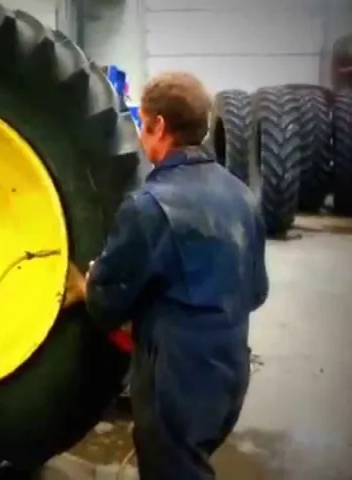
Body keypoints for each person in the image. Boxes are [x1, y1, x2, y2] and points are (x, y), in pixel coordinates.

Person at [64, 72, 269, 479]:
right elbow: (256, 291)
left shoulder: (148, 207)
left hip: (177, 382)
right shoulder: (241, 196)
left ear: (158, 125)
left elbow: (106, 306)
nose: (140, 134)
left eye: (142, 123)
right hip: (230, 374)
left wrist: (88, 285)